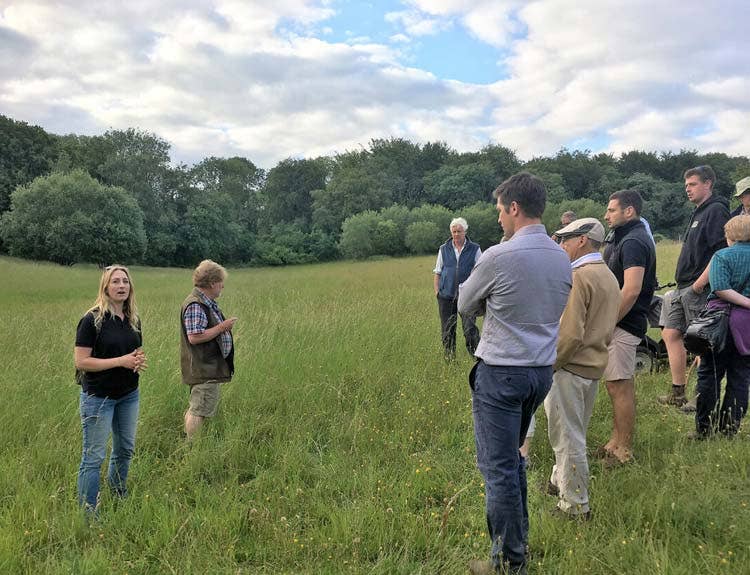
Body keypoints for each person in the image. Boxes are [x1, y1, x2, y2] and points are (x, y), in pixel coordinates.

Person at [459, 173, 571, 575]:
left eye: (500, 211)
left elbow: (464, 302)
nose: (499, 219)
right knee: (514, 460)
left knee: (498, 468)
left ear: (514, 208)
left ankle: (508, 562)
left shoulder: (498, 255)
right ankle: (517, 546)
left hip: (502, 373)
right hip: (539, 372)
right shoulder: (561, 255)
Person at [544, 218, 620, 519]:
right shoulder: (607, 275)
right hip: (592, 365)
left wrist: (549, 367)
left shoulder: (578, 276)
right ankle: (557, 481)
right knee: (574, 431)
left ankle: (575, 505)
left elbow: (570, 334)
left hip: (570, 368)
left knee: (567, 438)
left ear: (582, 241)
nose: (561, 246)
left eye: (566, 239)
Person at [74, 265, 146, 515]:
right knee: (93, 457)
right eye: (115, 281)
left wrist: (136, 360)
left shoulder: (133, 319)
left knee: (125, 448)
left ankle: (118, 494)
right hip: (98, 398)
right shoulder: (91, 320)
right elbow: (81, 362)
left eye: (125, 281)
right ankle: (88, 512)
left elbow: (134, 350)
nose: (121, 286)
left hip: (128, 394)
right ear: (105, 287)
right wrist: (120, 361)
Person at [658, 165, 730, 409]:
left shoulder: (717, 210)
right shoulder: (698, 211)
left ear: (708, 183)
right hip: (682, 286)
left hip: (698, 287)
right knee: (670, 333)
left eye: (693, 184)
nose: (687, 189)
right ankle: (678, 393)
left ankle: (701, 397)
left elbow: (722, 252)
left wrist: (700, 285)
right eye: (686, 185)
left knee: (700, 340)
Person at [600, 189, 657, 465]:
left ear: (629, 211)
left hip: (625, 323)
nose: (606, 215)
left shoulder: (634, 240)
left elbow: (631, 290)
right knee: (615, 383)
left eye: (611, 210)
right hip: (619, 322)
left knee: (619, 384)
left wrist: (608, 324)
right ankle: (614, 441)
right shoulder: (624, 237)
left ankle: (623, 449)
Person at [692, 215, 750, 438]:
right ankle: (728, 430)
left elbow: (720, 289)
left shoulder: (722, 256)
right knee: (740, 377)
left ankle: (704, 429)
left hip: (720, 324)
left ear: (731, 236)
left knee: (710, 375)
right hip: (747, 326)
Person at [181, 260, 237, 438]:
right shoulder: (197, 304)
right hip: (204, 368)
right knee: (199, 410)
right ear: (212, 283)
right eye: (221, 282)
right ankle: (193, 447)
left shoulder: (204, 302)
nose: (222, 286)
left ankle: (193, 443)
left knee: (198, 406)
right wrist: (222, 327)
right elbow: (195, 337)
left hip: (207, 367)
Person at [433, 217, 481, 359]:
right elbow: (437, 272)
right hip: (446, 297)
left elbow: (481, 271)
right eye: (453, 231)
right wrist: (437, 292)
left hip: (468, 296)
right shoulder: (443, 249)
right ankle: (450, 359)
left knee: (470, 329)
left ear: (465, 232)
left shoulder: (475, 249)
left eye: (459, 231)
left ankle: (477, 358)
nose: (456, 234)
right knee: (448, 330)